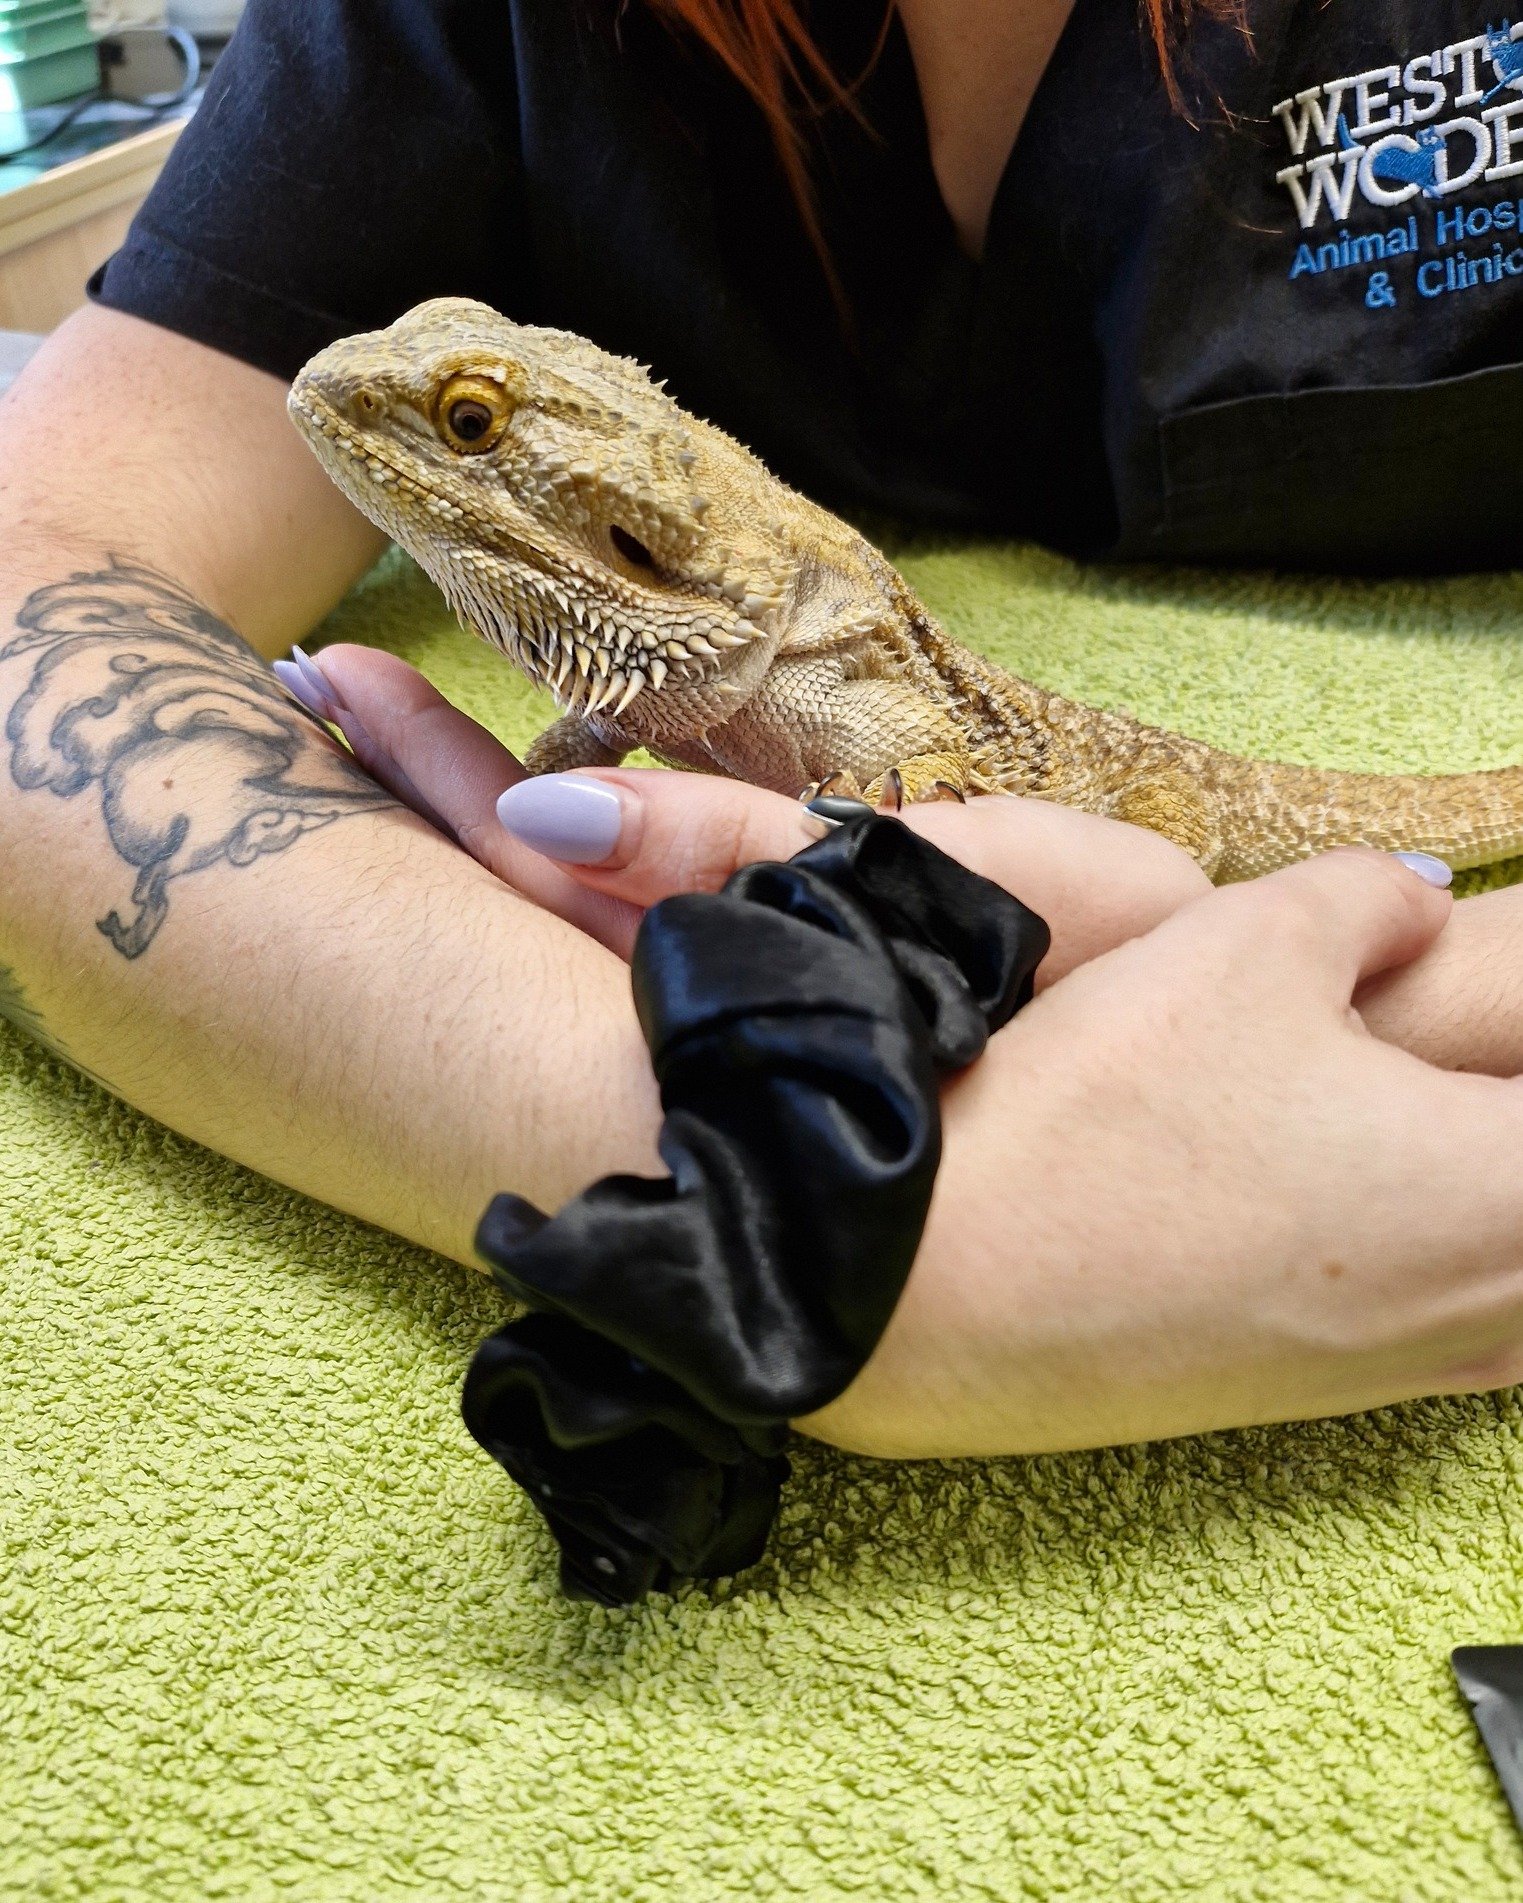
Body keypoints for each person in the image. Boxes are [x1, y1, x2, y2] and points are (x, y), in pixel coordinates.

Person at [5, 0, 1523, 1463]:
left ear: (642, 539)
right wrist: (770, 1166)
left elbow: (956, 852)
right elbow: (48, 538)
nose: (406, 424)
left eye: (468, 427)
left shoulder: (846, 694)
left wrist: (1422, 997)